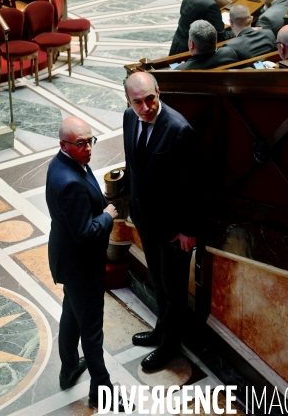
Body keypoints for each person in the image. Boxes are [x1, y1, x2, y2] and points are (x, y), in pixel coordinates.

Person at [46, 116, 126, 411]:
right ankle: (101, 391)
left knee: (72, 312)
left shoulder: (62, 163)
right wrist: (107, 215)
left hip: (67, 260)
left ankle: (68, 369)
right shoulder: (69, 183)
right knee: (92, 332)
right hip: (82, 266)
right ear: (63, 145)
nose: (88, 149)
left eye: (90, 141)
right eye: (80, 144)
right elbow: (84, 233)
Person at [123, 72, 198, 371]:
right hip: (145, 220)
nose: (145, 107)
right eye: (137, 102)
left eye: (150, 99)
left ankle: (170, 345)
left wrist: (188, 231)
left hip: (173, 230)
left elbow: (193, 186)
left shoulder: (179, 130)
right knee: (158, 281)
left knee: (174, 288)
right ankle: (160, 330)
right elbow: (134, 166)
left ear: (158, 91)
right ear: (128, 101)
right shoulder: (129, 118)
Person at [169, 0, 233, 55]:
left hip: (177, 43)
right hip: (190, 52)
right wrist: (238, 31)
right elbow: (220, 37)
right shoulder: (211, 5)